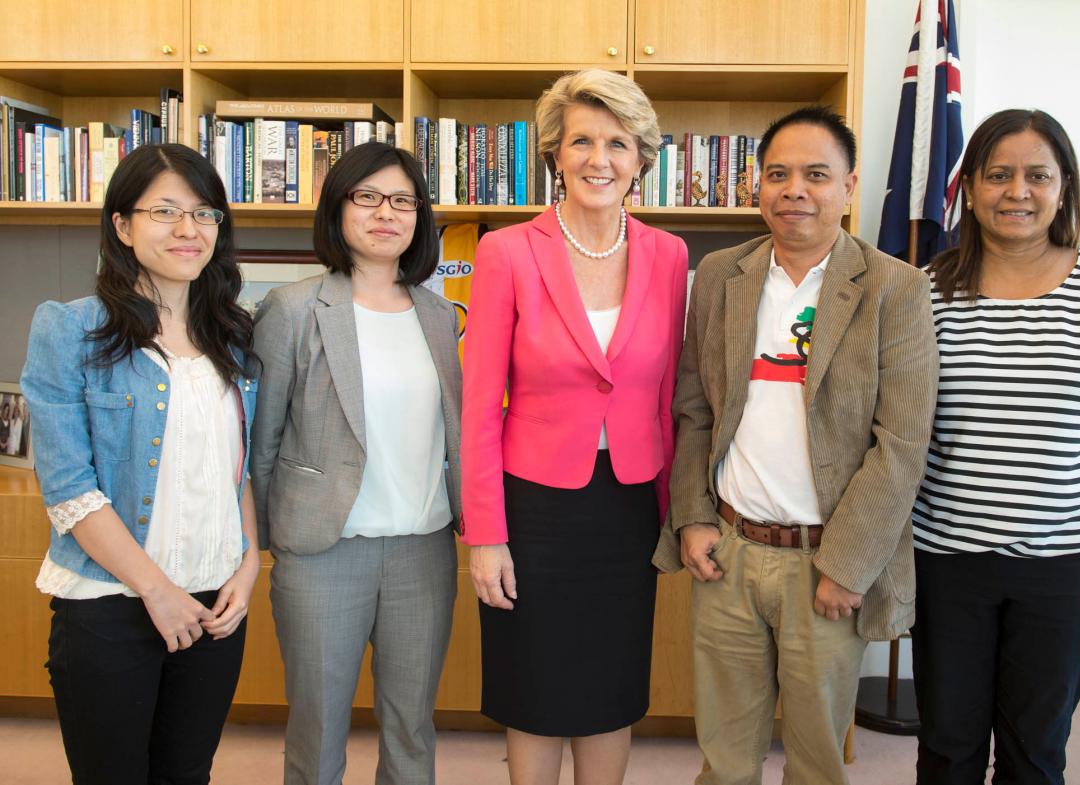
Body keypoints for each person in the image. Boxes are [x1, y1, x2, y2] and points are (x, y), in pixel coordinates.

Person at [652, 106, 939, 785]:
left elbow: (901, 445)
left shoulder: (895, 288)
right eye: (777, 174)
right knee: (724, 756)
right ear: (757, 186)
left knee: (816, 760)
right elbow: (693, 409)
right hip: (728, 552)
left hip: (825, 564)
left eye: (816, 174)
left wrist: (849, 563)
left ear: (849, 185)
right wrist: (693, 517)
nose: (795, 190)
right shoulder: (721, 274)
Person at [911, 109, 1080, 785]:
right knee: (946, 745)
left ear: (1063, 186)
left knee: (1036, 751)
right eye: (998, 175)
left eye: (1036, 175)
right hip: (949, 560)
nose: (1016, 191)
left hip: (1066, 567)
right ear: (970, 188)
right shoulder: (926, 290)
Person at [461, 69, 688, 784]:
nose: (599, 158)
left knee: (611, 681)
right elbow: (478, 404)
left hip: (627, 503)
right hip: (534, 506)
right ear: (555, 152)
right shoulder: (507, 251)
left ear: (641, 159)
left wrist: (674, 516)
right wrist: (486, 536)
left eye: (618, 143)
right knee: (535, 685)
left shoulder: (670, 254)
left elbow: (667, 397)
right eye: (582, 140)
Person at [20, 142, 260, 784]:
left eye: (206, 213)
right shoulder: (69, 329)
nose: (189, 230)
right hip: (113, 603)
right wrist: (157, 590)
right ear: (122, 226)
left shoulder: (232, 337)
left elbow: (235, 469)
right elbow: (70, 490)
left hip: (215, 605)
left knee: (186, 775)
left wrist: (249, 560)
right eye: (166, 212)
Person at [250, 142, 462, 785]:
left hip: (423, 552)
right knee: (317, 730)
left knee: (411, 726)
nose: (385, 213)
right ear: (338, 209)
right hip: (323, 550)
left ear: (420, 217)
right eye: (366, 197)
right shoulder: (291, 309)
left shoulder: (438, 313)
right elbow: (261, 444)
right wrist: (270, 541)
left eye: (402, 200)